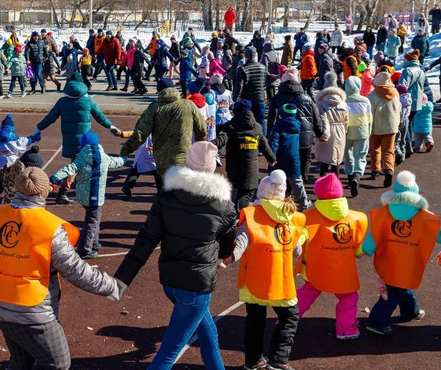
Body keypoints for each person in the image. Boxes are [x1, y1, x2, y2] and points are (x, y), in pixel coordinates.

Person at [0, 166, 121, 370]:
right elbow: (77, 271)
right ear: (45, 192)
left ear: (16, 188)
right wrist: (111, 286)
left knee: (21, 359)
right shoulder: (50, 229)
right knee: (58, 363)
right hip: (32, 310)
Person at [114, 142, 235, 370]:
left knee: (210, 335)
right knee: (168, 353)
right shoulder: (224, 206)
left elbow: (146, 239)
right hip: (197, 286)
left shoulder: (166, 196)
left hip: (170, 280)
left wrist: (121, 279)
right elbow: (228, 244)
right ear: (213, 167)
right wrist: (222, 258)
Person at [222, 170, 307, 370]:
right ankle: (278, 359)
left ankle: (253, 360)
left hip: (254, 281)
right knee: (289, 316)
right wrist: (301, 239)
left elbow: (241, 242)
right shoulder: (292, 217)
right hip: (281, 281)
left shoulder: (251, 215)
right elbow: (297, 250)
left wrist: (228, 258)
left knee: (254, 321)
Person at [362, 171, 441, 335]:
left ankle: (410, 312)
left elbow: (374, 236)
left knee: (400, 288)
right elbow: (439, 235)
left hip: (388, 262)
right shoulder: (424, 219)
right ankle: (376, 322)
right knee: (395, 291)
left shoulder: (385, 214)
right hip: (409, 264)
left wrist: (364, 250)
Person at [297, 173, 368, 340]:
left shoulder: (307, 217)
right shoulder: (356, 218)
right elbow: (357, 250)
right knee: (349, 297)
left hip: (316, 269)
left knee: (307, 293)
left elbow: (300, 239)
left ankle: (287, 319)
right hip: (343, 272)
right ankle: (345, 330)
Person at [36, 74, 115, 204]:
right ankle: (61, 190)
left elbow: (50, 117)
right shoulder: (88, 101)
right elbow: (100, 117)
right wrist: (111, 127)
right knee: (75, 166)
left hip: (69, 139)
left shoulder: (62, 101)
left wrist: (38, 128)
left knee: (77, 165)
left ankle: (63, 189)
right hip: (84, 140)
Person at [49, 131, 126, 259]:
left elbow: (69, 169)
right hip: (97, 197)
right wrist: (124, 158)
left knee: (95, 218)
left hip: (84, 196)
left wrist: (54, 178)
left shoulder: (81, 158)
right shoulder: (105, 158)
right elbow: (116, 161)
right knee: (91, 222)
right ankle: (84, 249)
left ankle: (94, 241)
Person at [120, 78, 207, 178]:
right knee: (181, 188)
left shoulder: (154, 108)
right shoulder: (188, 105)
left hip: (161, 160)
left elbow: (140, 134)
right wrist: (198, 149)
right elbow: (202, 130)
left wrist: (125, 151)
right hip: (184, 157)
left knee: (165, 187)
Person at [217, 99, 276, 209]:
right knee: (248, 191)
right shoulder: (257, 127)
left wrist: (211, 146)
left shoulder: (230, 126)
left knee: (236, 189)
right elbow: (264, 144)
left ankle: (233, 212)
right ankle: (238, 214)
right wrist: (271, 158)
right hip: (250, 166)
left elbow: (222, 140)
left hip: (233, 165)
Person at [269, 104, 311, 211]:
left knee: (276, 181)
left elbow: (273, 143)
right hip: (294, 158)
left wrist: (271, 157)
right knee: (297, 182)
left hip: (280, 158)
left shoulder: (278, 126)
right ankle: (303, 203)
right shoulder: (297, 125)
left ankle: (276, 202)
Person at [367, 72, 400, 188]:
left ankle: (375, 170)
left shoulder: (372, 96)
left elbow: (369, 114)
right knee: (389, 150)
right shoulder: (395, 93)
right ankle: (389, 170)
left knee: (375, 149)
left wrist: (368, 129)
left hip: (376, 127)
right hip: (391, 127)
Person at [314, 72, 349, 177]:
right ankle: (336, 187)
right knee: (336, 162)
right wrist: (344, 131)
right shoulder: (343, 103)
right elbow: (346, 120)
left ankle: (322, 187)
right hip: (340, 131)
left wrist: (319, 134)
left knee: (324, 162)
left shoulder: (320, 102)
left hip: (326, 131)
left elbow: (320, 119)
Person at [343, 76, 372, 197]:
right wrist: (369, 131)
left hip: (347, 132)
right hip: (362, 131)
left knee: (348, 155)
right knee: (360, 156)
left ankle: (350, 176)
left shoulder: (343, 100)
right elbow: (370, 118)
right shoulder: (365, 101)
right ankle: (357, 175)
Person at [233, 47, 267, 134]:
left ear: (246, 56)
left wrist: (234, 99)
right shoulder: (263, 67)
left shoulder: (243, 68)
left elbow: (239, 86)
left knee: (248, 121)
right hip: (260, 97)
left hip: (248, 99)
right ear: (255, 55)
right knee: (261, 120)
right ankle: (262, 139)